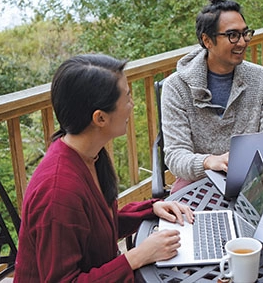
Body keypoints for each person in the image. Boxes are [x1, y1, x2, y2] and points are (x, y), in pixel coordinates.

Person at [14, 54, 194, 282]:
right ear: (100, 118)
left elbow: (95, 231)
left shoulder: (90, 156)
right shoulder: (59, 191)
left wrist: (150, 209)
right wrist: (136, 256)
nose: (132, 105)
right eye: (126, 97)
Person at [161, 0, 263, 192]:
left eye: (245, 33)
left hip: (252, 181)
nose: (242, 42)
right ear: (207, 40)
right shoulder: (176, 87)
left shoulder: (261, 79)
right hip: (197, 183)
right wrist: (209, 162)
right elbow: (175, 157)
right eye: (232, 36)